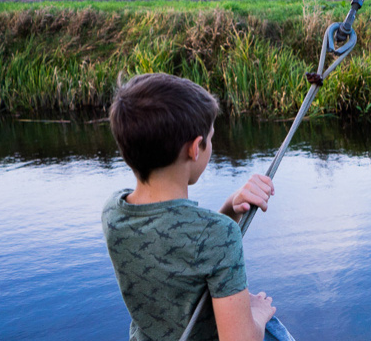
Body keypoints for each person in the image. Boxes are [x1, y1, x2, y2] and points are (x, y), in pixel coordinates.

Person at [101, 73, 288, 341]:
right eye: (210, 139)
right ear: (194, 149)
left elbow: (181, 245)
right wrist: (257, 312)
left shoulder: (112, 211)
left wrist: (230, 208)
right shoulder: (219, 235)